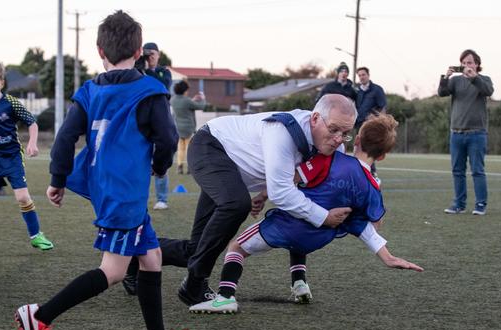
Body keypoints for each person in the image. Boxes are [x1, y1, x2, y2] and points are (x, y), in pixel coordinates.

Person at [7, 11, 190, 330]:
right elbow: (166, 138)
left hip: (108, 187)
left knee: (150, 259)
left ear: (99, 51)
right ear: (139, 52)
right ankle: (39, 316)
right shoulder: (150, 89)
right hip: (125, 193)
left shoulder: (89, 90)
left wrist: (57, 179)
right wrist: (160, 166)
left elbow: (65, 138)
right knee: (114, 270)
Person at [188, 114, 424, 314]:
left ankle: (226, 295)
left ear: (357, 140)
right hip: (318, 238)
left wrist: (261, 196)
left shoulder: (330, 160)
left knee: (236, 247)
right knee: (302, 236)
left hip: (285, 226)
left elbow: (292, 178)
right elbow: (373, 223)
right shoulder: (373, 187)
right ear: (382, 156)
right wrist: (387, 256)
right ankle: (300, 283)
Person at [159, 94, 356, 308]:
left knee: (196, 249)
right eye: (334, 129)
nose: (338, 139)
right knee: (236, 205)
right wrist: (324, 217)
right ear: (315, 119)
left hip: (232, 171)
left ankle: (137, 256)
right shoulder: (284, 132)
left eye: (345, 133)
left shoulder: (333, 145)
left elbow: (295, 176)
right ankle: (194, 286)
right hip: (211, 146)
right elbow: (281, 192)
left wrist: (263, 193)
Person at [0, 62, 53, 250]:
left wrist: (32, 143)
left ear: (2, 83)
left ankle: (36, 235)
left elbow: (32, 123)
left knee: (23, 197)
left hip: (11, 157)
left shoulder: (11, 103)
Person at [438, 49, 494, 216]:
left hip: (477, 133)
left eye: (469, 62)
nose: (466, 66)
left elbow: (488, 91)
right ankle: (459, 204)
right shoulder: (455, 81)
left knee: (477, 170)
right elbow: (441, 93)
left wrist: (474, 77)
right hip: (456, 133)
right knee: (457, 171)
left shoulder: (484, 80)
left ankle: (480, 204)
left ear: (477, 64)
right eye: (463, 63)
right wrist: (445, 77)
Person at [140, 41, 173, 210]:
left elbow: (163, 87)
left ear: (158, 54)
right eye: (147, 53)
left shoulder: (163, 72)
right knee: (140, 160)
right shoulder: (138, 71)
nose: (150, 57)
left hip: (160, 120)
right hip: (142, 121)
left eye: (152, 53)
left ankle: (162, 198)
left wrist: (148, 71)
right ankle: (140, 197)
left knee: (161, 156)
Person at [355, 66, 387, 172]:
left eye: (363, 75)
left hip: (370, 126)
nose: (361, 77)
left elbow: (382, 107)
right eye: (359, 75)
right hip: (359, 126)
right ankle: (361, 172)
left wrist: (378, 121)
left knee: (369, 150)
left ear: (368, 75)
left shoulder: (377, 90)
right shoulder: (357, 91)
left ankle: (372, 173)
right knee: (359, 150)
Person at [171, 80, 206, 174]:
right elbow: (200, 106)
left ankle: (179, 166)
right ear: (184, 90)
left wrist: (192, 99)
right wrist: (203, 98)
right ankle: (190, 168)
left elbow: (187, 104)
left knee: (180, 148)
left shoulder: (173, 100)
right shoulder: (186, 100)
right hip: (188, 128)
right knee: (189, 149)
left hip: (178, 127)